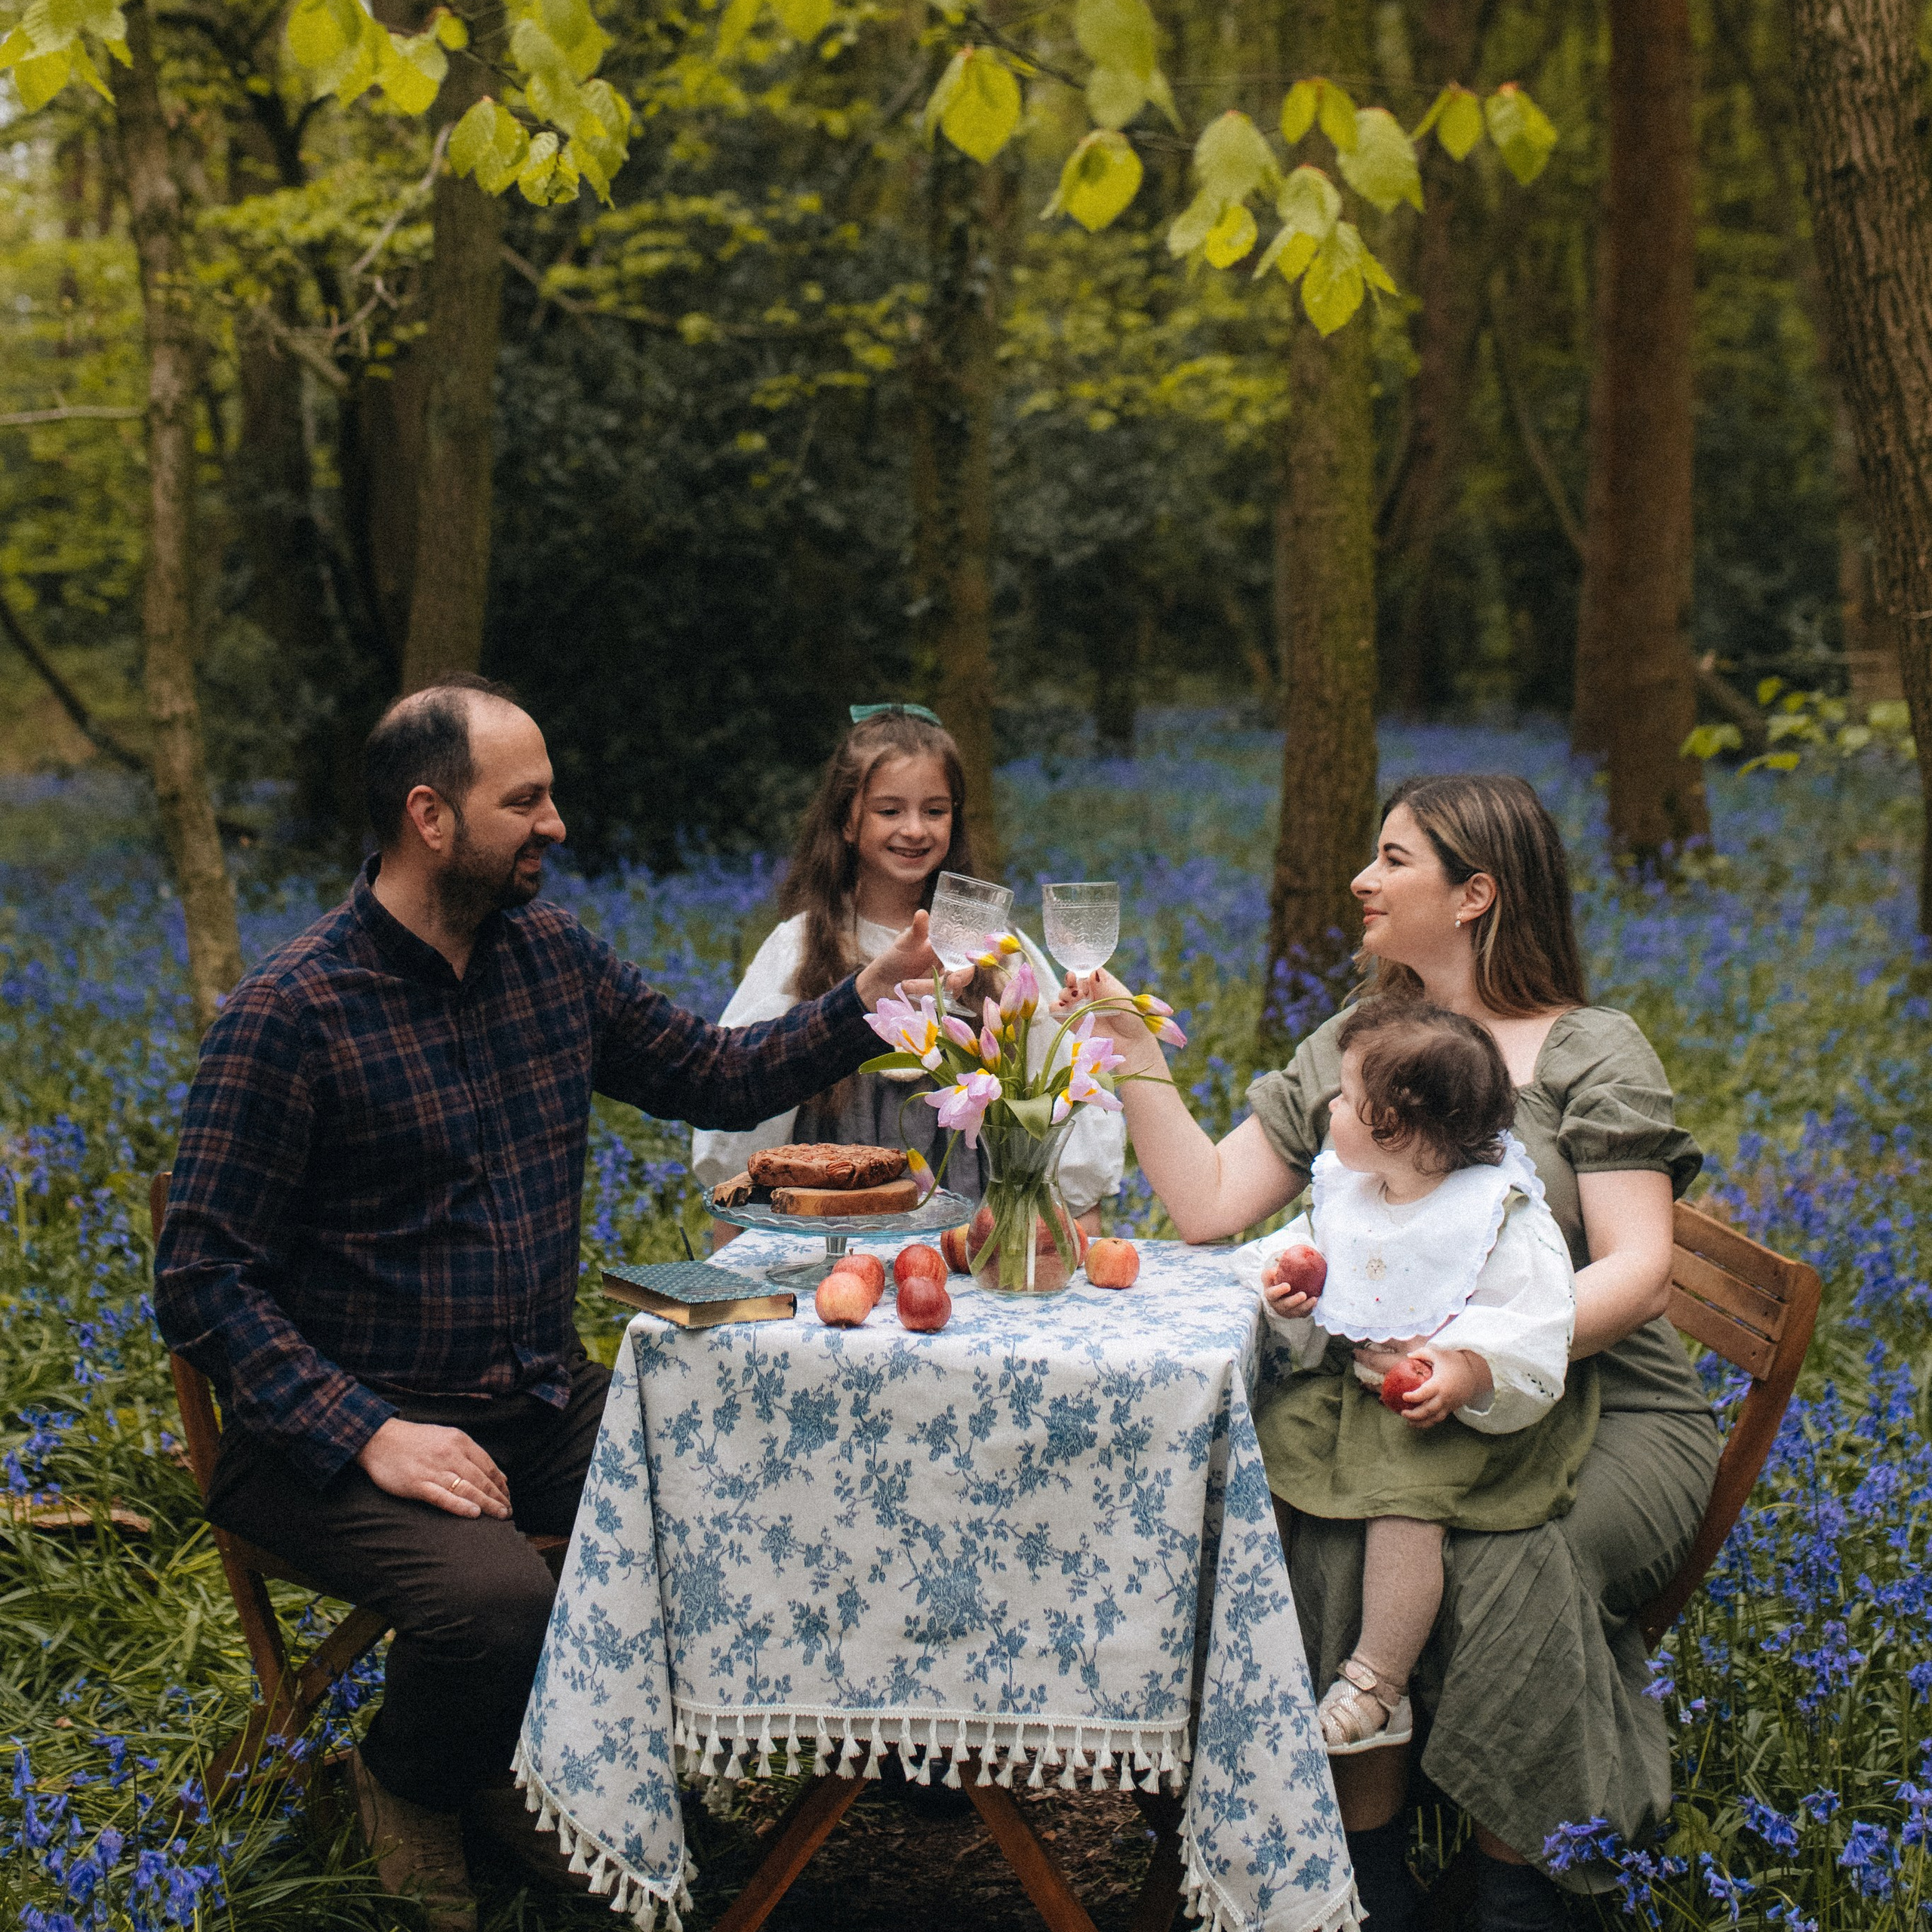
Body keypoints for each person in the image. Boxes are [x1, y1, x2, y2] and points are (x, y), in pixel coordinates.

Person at [153, 677, 947, 1932]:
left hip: (524, 1397)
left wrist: (869, 1001)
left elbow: (708, 1072)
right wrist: (370, 1432)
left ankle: (541, 1767)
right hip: (332, 1442)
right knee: (496, 1606)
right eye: (525, 802)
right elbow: (199, 1278)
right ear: (430, 815)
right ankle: (412, 1780)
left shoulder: (552, 961)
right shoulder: (293, 1014)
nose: (557, 825)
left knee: (739, 1490)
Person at [1066, 773, 1718, 1932]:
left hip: (1606, 1405)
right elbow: (1211, 1202)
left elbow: (1638, 1270)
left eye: (1393, 859)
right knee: (1322, 1515)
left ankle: (1528, 1895)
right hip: (1406, 1405)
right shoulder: (1357, 1043)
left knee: (1520, 1557)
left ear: (1475, 894)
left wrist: (1472, 1353)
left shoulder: (1590, 1051)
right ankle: (1360, 1887)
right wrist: (1123, 1036)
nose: (1363, 880)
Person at [1244, 1000, 1580, 1755]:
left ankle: (1377, 1683)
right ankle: (1253, 1623)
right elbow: (1306, 1254)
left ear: (1391, 1125)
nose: (1328, 1106)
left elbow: (1531, 1315)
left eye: (1343, 1094)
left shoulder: (1493, 1212)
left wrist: (1460, 1369)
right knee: (1269, 1441)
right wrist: (1290, 1290)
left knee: (1404, 1507)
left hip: (1441, 1419)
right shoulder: (1354, 1191)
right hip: (1353, 1395)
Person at [692, 704, 1123, 1236]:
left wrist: (1084, 1225)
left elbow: (1064, 1091)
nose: (914, 830)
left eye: (935, 811)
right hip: (830, 1230)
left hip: (968, 1231)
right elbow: (745, 1123)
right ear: (848, 820)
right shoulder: (803, 947)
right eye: (890, 811)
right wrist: (734, 1258)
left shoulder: (997, 950)